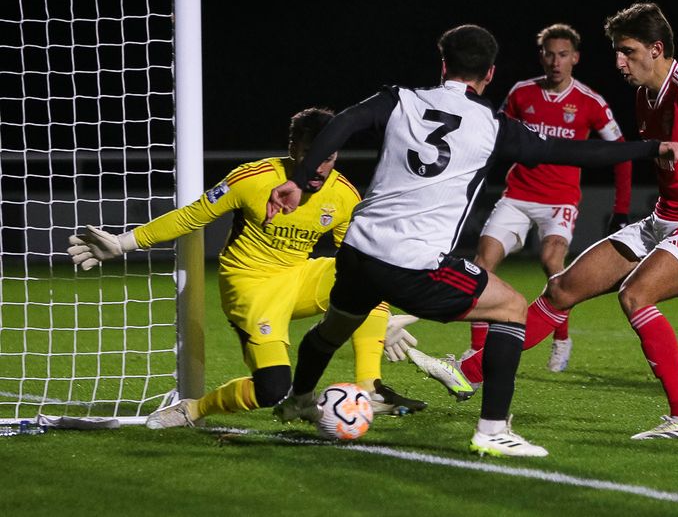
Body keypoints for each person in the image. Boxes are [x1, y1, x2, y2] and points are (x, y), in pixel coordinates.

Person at [265, 24, 678, 457]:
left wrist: (302, 180)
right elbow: (569, 151)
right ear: (490, 73)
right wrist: (651, 148)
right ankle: (493, 430)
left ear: (443, 65)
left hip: (359, 253)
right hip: (413, 264)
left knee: (333, 329)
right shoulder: (492, 125)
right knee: (513, 307)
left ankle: (298, 400)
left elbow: (342, 122)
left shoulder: (399, 99)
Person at [452, 2, 678, 440]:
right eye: (617, 51)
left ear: (656, 48)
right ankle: (468, 372)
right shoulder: (645, 93)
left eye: (627, 51)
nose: (619, 62)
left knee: (636, 294)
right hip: (661, 219)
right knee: (563, 287)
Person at [67, 108, 427, 429]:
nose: (319, 167)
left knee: (367, 272)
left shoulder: (344, 194)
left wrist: (378, 312)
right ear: (293, 148)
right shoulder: (254, 178)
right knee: (271, 389)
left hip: (297, 277)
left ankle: (369, 385)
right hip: (251, 286)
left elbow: (356, 254)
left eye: (328, 156)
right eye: (309, 155)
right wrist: (123, 243)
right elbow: (192, 216)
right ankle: (194, 409)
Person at [469, 23, 632, 373]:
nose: (556, 62)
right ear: (541, 57)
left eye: (563, 55)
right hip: (517, 196)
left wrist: (621, 211)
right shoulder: (521, 94)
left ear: (575, 58)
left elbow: (621, 154)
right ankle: (475, 353)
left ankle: (561, 339)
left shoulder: (590, 102)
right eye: (549, 54)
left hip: (560, 200)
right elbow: (493, 139)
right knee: (481, 266)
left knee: (551, 261)